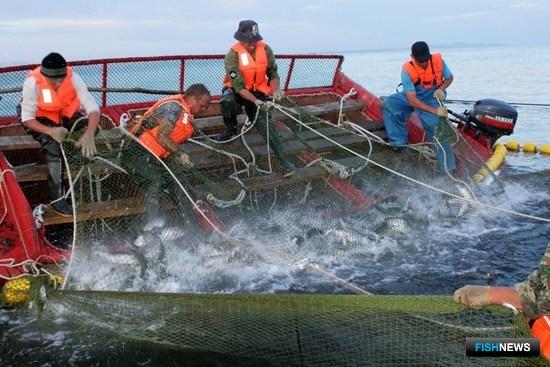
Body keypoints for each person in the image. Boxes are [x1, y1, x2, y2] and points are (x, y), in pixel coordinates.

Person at [19, 52, 100, 216]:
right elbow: (27, 119)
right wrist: (51, 131)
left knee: (92, 127)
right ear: (44, 75)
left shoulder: (74, 78)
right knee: (53, 146)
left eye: (61, 78)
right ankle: (57, 199)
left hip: (64, 115)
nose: (58, 82)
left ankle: (76, 153)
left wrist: (90, 133)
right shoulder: (32, 82)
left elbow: (93, 109)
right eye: (53, 80)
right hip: (40, 117)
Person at [218, 19, 295, 178]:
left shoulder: (266, 49)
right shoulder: (232, 56)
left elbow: (272, 72)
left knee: (268, 127)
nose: (252, 44)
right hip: (237, 92)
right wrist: (254, 101)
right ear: (240, 39)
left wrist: (276, 90)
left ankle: (285, 164)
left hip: (258, 91)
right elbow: (238, 86)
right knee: (227, 102)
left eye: (254, 40)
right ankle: (231, 128)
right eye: (248, 41)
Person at [125, 83, 212, 221]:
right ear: (192, 99)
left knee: (180, 183)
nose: (204, 109)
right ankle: (152, 226)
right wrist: (179, 154)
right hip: (137, 153)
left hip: (157, 157)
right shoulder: (174, 108)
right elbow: (162, 136)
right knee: (155, 182)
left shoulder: (186, 114)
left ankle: (189, 226)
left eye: (206, 106)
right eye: (203, 105)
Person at [454, 240, 550, 359]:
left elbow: (541, 299)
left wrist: (489, 294)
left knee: (472, 348)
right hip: (535, 343)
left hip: (542, 351)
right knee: (478, 347)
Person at [382, 41, 456, 174]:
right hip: (412, 97)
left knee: (437, 128)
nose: (424, 63)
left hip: (431, 97)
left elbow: (450, 78)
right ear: (412, 57)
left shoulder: (438, 61)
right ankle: (398, 142)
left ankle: (448, 170)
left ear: (429, 55)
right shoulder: (406, 71)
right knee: (389, 104)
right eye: (420, 61)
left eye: (425, 60)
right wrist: (435, 111)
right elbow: (412, 100)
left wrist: (441, 89)